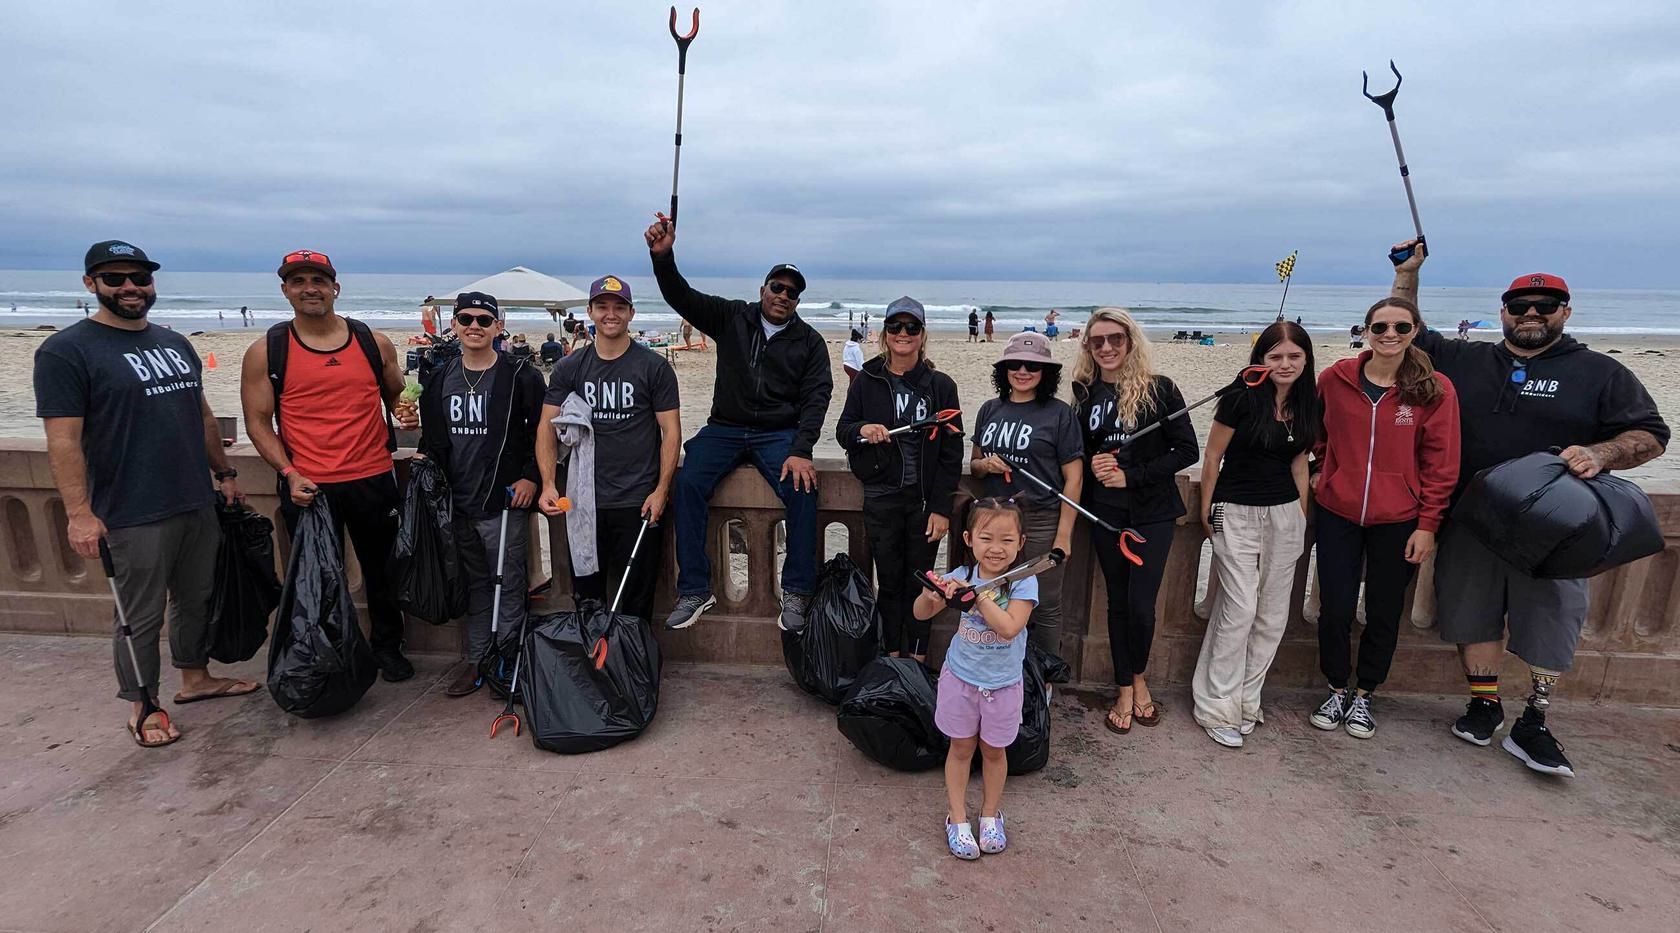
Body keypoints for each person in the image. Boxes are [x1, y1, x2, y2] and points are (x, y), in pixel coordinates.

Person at [1391, 239, 1668, 777]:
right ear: (1504, 313)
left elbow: (1652, 434)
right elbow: (1406, 332)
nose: (1532, 315)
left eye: (1545, 306)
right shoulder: (1468, 359)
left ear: (1565, 311)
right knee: (1471, 614)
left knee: (1551, 621)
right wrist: (1407, 274)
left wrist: (1601, 452)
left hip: (1558, 527)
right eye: (1519, 307)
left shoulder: (1599, 372)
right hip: (1471, 519)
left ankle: (1535, 720)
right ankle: (1485, 703)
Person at [34, 240, 255, 748]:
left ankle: (195, 679)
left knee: (196, 598)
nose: (130, 287)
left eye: (139, 277)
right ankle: (144, 704)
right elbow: (62, 440)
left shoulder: (173, 342)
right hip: (129, 511)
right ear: (91, 285)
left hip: (194, 498)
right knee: (138, 615)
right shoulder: (66, 351)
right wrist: (79, 514)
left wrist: (223, 474)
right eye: (114, 279)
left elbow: (200, 415)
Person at [644, 213, 832, 632]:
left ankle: (798, 591)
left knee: (803, 490)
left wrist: (802, 449)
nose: (784, 295)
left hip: (778, 434)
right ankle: (695, 589)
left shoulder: (810, 342)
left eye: (793, 293)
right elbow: (681, 296)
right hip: (724, 427)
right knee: (688, 482)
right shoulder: (732, 317)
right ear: (762, 289)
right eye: (777, 287)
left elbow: (817, 398)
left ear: (797, 302)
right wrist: (663, 257)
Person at [240, 249, 419, 682]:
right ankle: (326, 655)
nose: (309, 289)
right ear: (285, 290)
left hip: (373, 475)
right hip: (309, 484)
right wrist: (289, 472)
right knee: (315, 577)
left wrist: (404, 411)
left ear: (335, 288)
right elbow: (258, 423)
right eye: (298, 281)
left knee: (383, 572)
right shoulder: (267, 351)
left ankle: (387, 647)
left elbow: (396, 395)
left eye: (318, 280)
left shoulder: (372, 342)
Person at [1308, 296, 1459, 740]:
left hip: (1400, 518)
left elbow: (1441, 462)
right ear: (1366, 332)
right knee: (1333, 607)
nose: (1389, 335)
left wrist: (1428, 523)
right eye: (1380, 327)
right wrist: (1321, 468)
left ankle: (1365, 693)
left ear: (1415, 331)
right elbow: (1317, 430)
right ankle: (1336, 687)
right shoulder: (1335, 380)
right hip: (1339, 512)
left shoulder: (1434, 388)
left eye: (1400, 327)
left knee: (1384, 611)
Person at [1071, 309, 1196, 734]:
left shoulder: (1161, 390)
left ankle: (1140, 676)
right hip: (1104, 513)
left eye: (1116, 339)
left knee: (1142, 606)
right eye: (1097, 340)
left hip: (1152, 513)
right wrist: (1093, 463)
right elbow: (1077, 453)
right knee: (1118, 604)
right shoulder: (1083, 395)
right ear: (1088, 346)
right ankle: (1125, 686)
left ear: (1130, 341)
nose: (1106, 348)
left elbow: (1186, 450)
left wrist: (1132, 475)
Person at [1192, 320, 1317, 748]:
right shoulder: (1240, 397)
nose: (1285, 364)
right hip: (1237, 511)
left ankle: (1247, 698)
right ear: (1260, 360)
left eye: (1294, 356)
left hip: (1285, 515)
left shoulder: (1307, 402)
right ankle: (1214, 704)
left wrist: (1300, 513)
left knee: (1273, 614)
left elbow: (1300, 463)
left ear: (1305, 360)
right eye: (1275, 356)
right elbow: (1212, 457)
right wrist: (1208, 510)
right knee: (1239, 609)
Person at [415, 292, 545, 696]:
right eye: (466, 319)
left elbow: (542, 432)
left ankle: (507, 659)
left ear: (498, 327)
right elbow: (434, 440)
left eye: (484, 320)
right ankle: (475, 660)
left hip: (504, 501)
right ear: (453, 325)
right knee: (473, 587)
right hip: (456, 503)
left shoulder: (521, 374)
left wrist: (530, 477)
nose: (475, 326)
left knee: (508, 583)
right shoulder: (438, 378)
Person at [539, 274, 681, 624]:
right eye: (602, 306)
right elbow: (546, 426)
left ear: (631, 313)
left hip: (637, 501)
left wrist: (661, 490)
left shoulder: (654, 367)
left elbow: (671, 432)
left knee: (635, 604)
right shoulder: (570, 367)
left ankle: (633, 672)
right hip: (584, 503)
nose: (610, 314)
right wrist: (547, 483)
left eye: (619, 307)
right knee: (588, 600)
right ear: (590, 311)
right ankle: (593, 672)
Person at [835, 296, 962, 660]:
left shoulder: (941, 386)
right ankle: (892, 655)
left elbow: (952, 454)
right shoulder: (866, 380)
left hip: (923, 504)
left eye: (911, 327)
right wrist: (864, 428)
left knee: (921, 583)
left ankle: (919, 658)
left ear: (922, 335)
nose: (903, 334)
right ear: (885, 334)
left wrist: (942, 508)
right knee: (889, 584)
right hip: (881, 499)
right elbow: (844, 430)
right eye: (895, 327)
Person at [913, 497, 1037, 860]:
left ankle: (989, 815)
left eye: (1006, 540)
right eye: (986, 538)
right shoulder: (961, 576)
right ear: (968, 539)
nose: (996, 549)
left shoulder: (1022, 583)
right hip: (961, 679)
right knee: (961, 748)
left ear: (1021, 543)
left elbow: (1009, 628)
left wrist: (978, 599)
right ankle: (957, 818)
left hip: (1003, 684)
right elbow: (921, 614)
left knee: (995, 752)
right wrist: (932, 594)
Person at [970, 331, 1082, 655]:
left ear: (1045, 372)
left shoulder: (1060, 414)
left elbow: (1073, 480)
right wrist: (984, 466)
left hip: (1041, 520)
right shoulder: (990, 409)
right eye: (1015, 364)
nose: (1023, 371)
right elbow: (974, 464)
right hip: (995, 520)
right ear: (1003, 369)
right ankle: (1000, 666)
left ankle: (1043, 678)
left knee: (1043, 602)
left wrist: (1064, 535)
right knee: (994, 596)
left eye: (1032, 366)